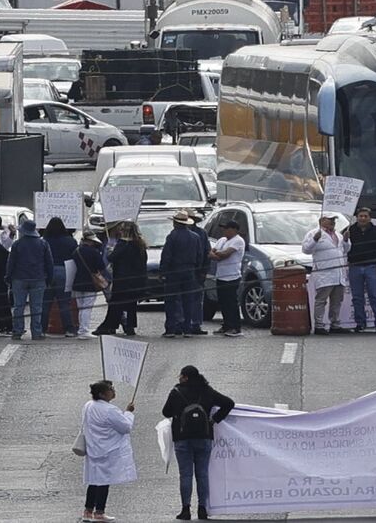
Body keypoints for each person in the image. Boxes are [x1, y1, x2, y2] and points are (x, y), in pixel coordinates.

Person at [161, 366, 234, 521]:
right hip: (204, 437)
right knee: (202, 474)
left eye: (181, 375)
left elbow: (166, 412)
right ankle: (202, 509)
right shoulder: (207, 390)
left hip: (182, 438)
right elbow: (229, 403)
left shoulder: (176, 392)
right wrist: (214, 420)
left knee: (185, 474)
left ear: (186, 377)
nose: (179, 378)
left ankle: (185, 509)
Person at [81, 380, 136, 523]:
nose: (113, 391)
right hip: (108, 449)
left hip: (93, 447)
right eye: (110, 389)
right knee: (103, 481)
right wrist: (128, 413)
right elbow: (125, 427)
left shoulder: (88, 405)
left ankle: (88, 511)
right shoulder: (110, 410)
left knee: (93, 480)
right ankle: (99, 512)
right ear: (102, 394)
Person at [93, 222, 146, 337]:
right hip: (135, 280)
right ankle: (130, 326)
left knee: (115, 303)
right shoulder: (140, 244)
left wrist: (110, 250)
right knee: (131, 304)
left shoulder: (123, 244)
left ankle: (109, 326)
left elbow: (111, 257)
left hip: (122, 279)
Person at [302, 213, 350, 335]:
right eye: (330, 220)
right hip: (324, 273)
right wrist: (315, 240)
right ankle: (319, 325)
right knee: (321, 300)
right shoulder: (313, 233)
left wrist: (345, 240)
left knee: (337, 301)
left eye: (334, 220)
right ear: (322, 220)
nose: (333, 222)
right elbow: (306, 250)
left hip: (338, 273)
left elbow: (345, 250)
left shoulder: (338, 234)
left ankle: (335, 324)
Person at [344, 207, 376, 332]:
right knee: (357, 297)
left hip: (371, 267)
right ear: (357, 217)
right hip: (355, 267)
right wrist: (345, 238)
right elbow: (342, 247)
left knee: (374, 296)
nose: (363, 218)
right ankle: (360, 324)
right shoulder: (350, 230)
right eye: (361, 216)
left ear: (370, 218)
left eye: (365, 216)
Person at [161, 210, 203, 338]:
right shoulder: (195, 237)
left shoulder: (172, 236)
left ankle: (171, 329)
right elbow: (199, 256)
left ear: (175, 223)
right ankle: (187, 328)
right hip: (189, 271)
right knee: (188, 300)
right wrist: (197, 270)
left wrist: (163, 271)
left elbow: (166, 255)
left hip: (174, 271)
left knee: (171, 300)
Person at [42, 218, 79, 338]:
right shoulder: (70, 241)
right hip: (65, 270)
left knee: (45, 303)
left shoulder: (44, 240)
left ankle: (42, 328)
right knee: (64, 303)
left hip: (48, 271)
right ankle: (69, 329)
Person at [71, 231, 107, 341]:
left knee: (81, 307)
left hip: (77, 282)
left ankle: (81, 329)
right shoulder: (94, 252)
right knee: (87, 308)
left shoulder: (76, 251)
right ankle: (84, 330)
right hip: (90, 283)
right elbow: (101, 266)